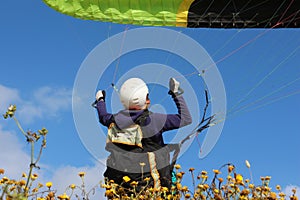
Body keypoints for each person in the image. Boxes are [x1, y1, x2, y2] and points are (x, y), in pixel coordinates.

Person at [94, 77, 192, 190]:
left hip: (120, 187)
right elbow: (185, 118)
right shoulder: (155, 120)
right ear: (142, 99)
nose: (149, 100)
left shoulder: (113, 121)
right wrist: (175, 93)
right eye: (147, 97)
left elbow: (103, 116)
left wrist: (100, 100)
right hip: (150, 187)